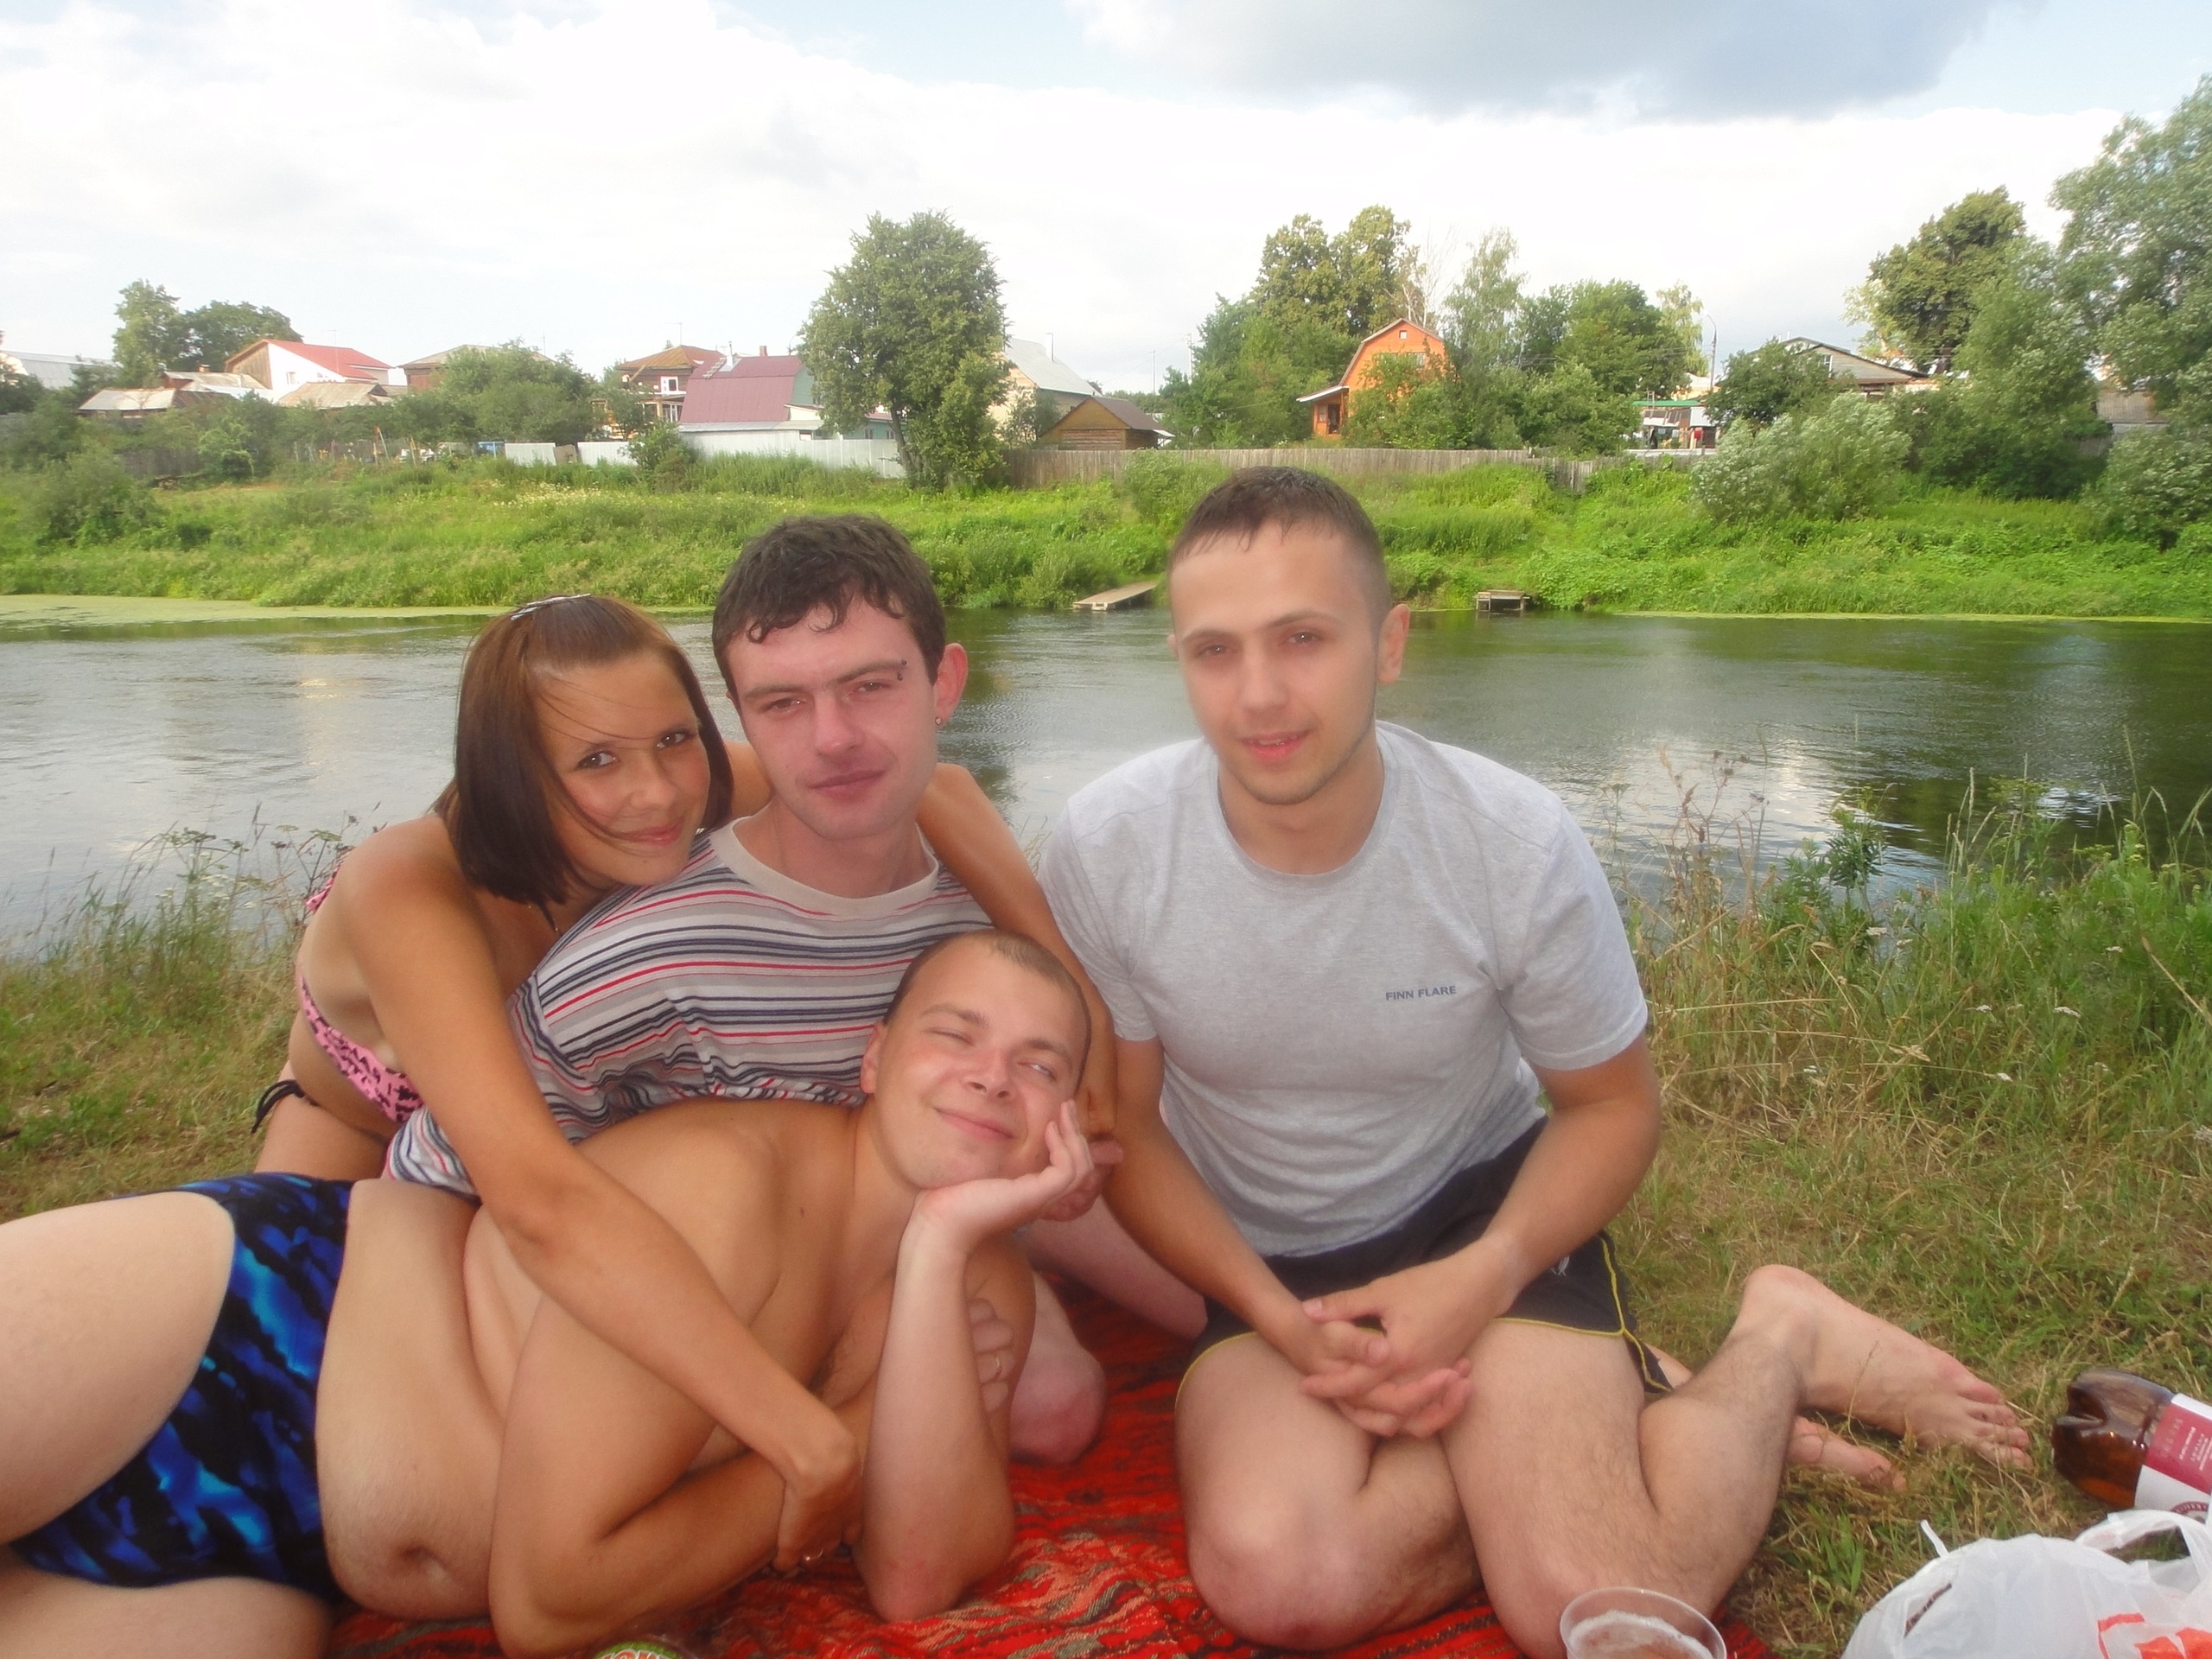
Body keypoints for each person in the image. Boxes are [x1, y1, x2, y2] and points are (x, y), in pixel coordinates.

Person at [1039, 468, 2033, 1659]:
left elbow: (1610, 1108)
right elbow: (1133, 1126)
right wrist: (1271, 1315)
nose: (1258, 695)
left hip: (1486, 1212)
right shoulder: (1108, 848)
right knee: (1280, 1581)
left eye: (1303, 638)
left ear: (1388, 643)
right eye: (1215, 651)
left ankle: (1781, 1336)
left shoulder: (1508, 841)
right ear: (1179, 660)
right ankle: (1555, 1439)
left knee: (1596, 1606)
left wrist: (1485, 1276)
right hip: (1268, 1256)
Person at [0, 928, 1090, 1659]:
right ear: (873, 1059)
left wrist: (939, 1248)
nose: (992, 1077)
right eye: (955, 1035)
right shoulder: (729, 1189)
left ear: (1066, 1122)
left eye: (1040, 1066)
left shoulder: (978, 1270)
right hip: (237, 1319)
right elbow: (554, 1591)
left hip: (277, 1573)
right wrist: (851, 1433)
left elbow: (916, 1577)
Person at [251, 593, 1074, 1561]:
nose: (656, 794)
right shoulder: (407, 885)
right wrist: (803, 1438)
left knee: (1039, 1388)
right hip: (370, 1127)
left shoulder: (687, 779)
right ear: (515, 772)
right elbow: (531, 1196)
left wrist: (1073, 996)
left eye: (677, 739)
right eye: (595, 761)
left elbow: (936, 785)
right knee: (293, 1401)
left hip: (591, 1112)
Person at [387, 518, 1191, 1464]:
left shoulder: (975, 911)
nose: (834, 739)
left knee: (1060, 1400)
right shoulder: (642, 958)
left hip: (882, 1223)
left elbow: (1044, 1096)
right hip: (710, 1282)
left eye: (870, 686)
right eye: (783, 704)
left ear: (944, 685)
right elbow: (450, 1176)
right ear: (742, 718)